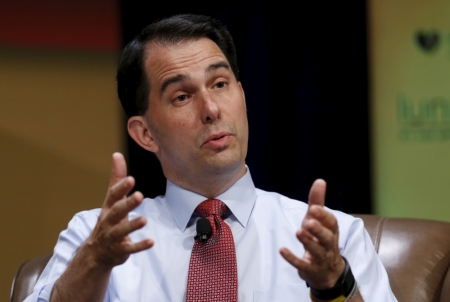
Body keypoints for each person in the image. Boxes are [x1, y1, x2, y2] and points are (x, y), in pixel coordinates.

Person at [25, 14, 396, 302]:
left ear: (243, 96)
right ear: (145, 133)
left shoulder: (335, 238)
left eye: (220, 84)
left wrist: (334, 283)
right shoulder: (96, 238)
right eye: (182, 96)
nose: (211, 109)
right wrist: (95, 261)